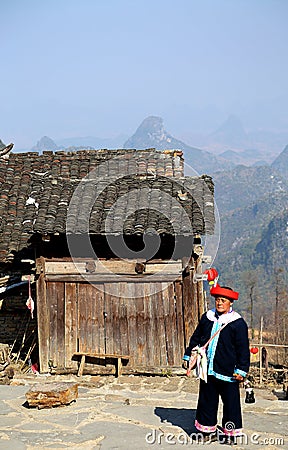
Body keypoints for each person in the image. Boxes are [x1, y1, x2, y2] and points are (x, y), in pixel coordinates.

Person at [183, 285, 250, 445]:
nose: (219, 303)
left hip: (228, 371)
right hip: (208, 368)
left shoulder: (237, 323)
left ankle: (230, 433)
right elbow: (197, 337)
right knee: (207, 400)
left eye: (223, 300)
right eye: (217, 300)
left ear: (230, 302)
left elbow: (243, 349)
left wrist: (241, 369)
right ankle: (207, 431)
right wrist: (188, 355)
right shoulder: (207, 318)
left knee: (231, 404)